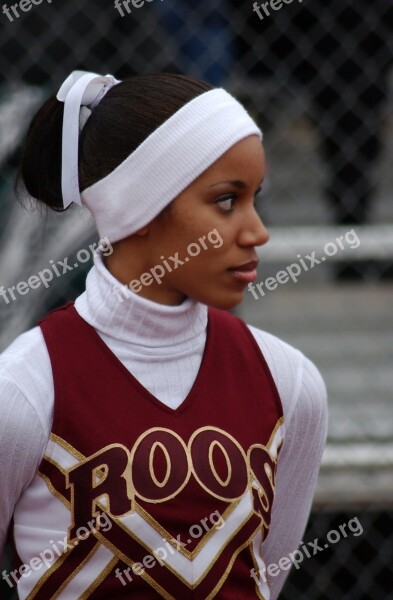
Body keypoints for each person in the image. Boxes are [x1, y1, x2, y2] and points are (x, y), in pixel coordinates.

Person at [0, 70, 328, 599]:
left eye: (255, 198)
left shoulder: (289, 381)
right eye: (227, 200)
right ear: (140, 208)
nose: (257, 231)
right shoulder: (23, 388)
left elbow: (266, 578)